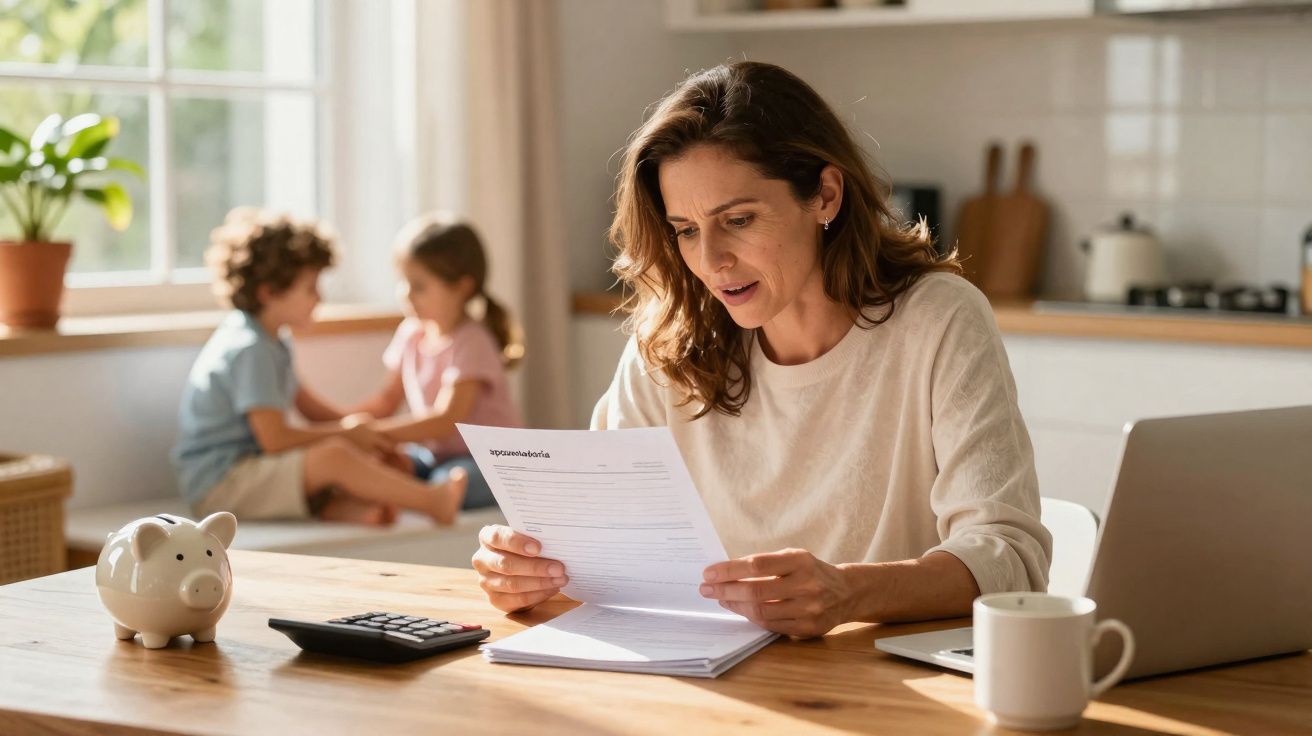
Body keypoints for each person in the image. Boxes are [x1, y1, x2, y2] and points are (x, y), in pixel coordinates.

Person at [472, 61, 1052, 638]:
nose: (712, 260)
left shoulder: (938, 320)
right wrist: (527, 569)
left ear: (825, 195)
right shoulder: (667, 342)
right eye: (687, 229)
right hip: (708, 691)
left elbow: (1009, 559)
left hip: (881, 695)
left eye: (739, 219)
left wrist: (849, 593)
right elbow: (603, 548)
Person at [172, 208, 466, 526]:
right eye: (310, 288)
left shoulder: (271, 340)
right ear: (269, 292)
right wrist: (346, 435)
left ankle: (352, 509)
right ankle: (432, 501)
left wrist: (366, 434)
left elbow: (312, 409)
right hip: (221, 486)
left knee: (343, 453)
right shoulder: (250, 349)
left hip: (249, 470)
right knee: (333, 456)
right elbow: (276, 439)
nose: (320, 297)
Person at [353, 213, 523, 511]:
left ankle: (427, 493)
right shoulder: (410, 334)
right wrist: (347, 429)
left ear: (461, 287)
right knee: (377, 466)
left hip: (490, 460)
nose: (406, 295)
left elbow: (446, 420)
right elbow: (385, 400)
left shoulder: (472, 341)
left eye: (418, 286)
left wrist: (379, 434)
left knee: (449, 482)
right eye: (403, 283)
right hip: (434, 455)